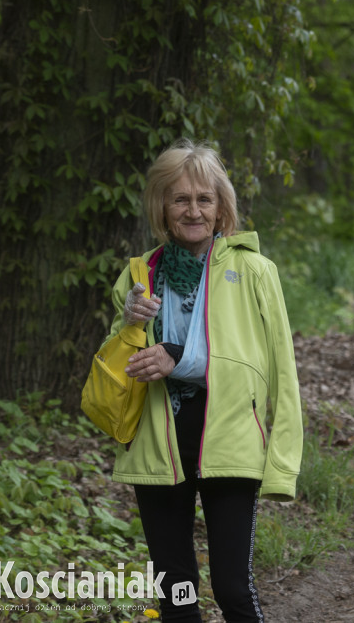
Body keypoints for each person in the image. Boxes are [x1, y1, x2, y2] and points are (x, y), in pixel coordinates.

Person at [100, 139, 303, 621]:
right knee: (176, 594)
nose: (193, 210)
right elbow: (116, 368)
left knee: (233, 589)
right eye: (180, 199)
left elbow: (277, 369)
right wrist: (128, 322)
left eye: (204, 199)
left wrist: (283, 463)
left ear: (221, 207)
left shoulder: (254, 270)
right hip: (157, 445)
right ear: (163, 207)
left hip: (231, 444)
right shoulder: (139, 275)